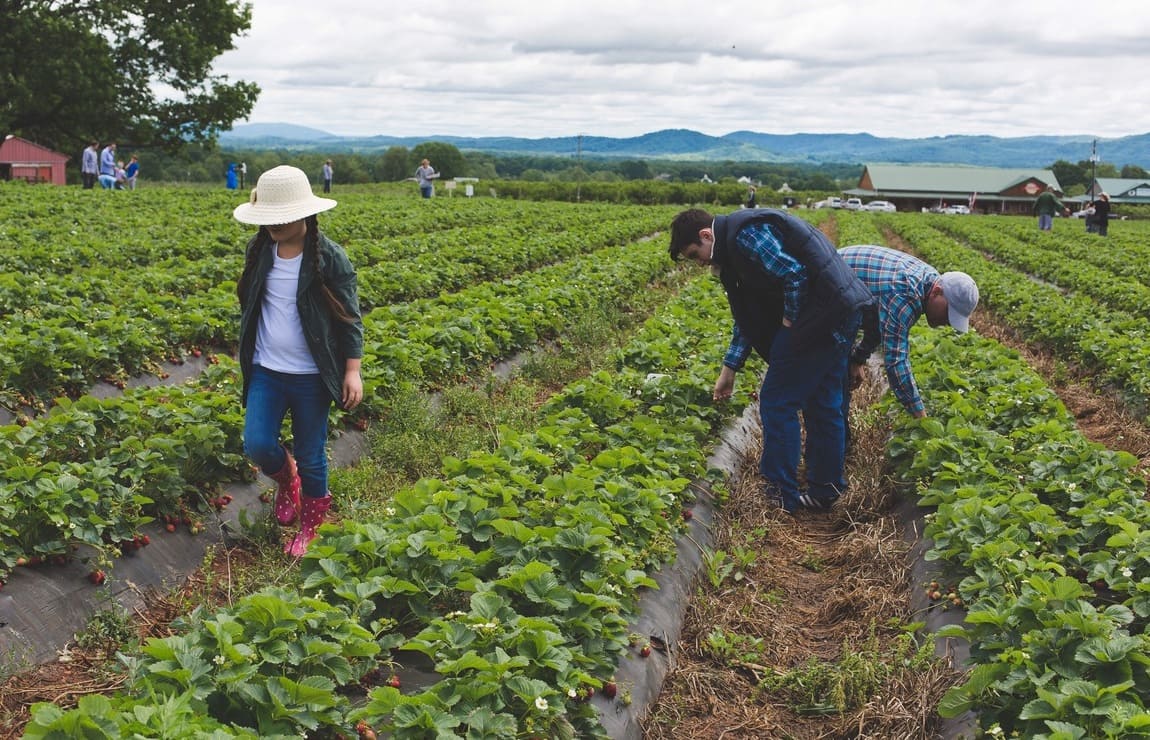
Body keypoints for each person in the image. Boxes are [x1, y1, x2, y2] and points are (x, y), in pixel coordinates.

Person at [668, 208, 872, 514]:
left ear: (706, 236)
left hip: (822, 316)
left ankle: (780, 496)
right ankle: (824, 491)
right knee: (824, 402)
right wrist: (730, 369)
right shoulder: (734, 246)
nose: (700, 263)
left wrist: (789, 326)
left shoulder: (745, 236)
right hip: (840, 310)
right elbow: (748, 316)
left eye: (696, 254)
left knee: (778, 401)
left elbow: (794, 274)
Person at [232, 165, 364, 556]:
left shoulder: (329, 258)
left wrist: (352, 370)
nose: (273, 225)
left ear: (305, 213)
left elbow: (350, 316)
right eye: (268, 218)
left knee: (310, 454)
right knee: (257, 443)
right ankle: (286, 478)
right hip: (266, 371)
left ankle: (311, 527)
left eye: (280, 217)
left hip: (311, 375)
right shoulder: (259, 253)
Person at [839, 245, 979, 425]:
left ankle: (839, 445)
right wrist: (922, 419)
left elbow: (878, 321)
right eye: (948, 313)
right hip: (824, 290)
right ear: (937, 292)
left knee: (837, 385)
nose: (948, 321)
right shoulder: (904, 294)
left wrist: (858, 358)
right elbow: (896, 362)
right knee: (831, 387)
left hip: (844, 299)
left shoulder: (929, 280)